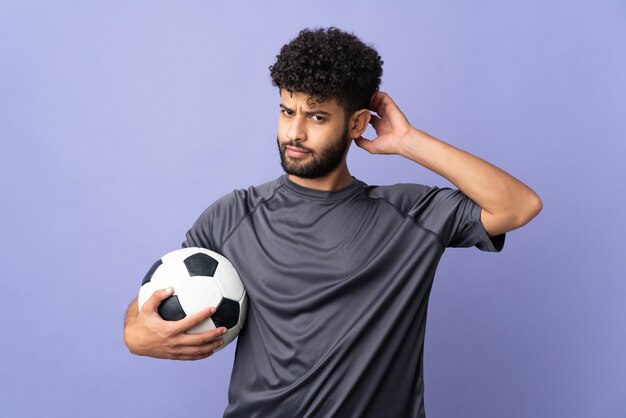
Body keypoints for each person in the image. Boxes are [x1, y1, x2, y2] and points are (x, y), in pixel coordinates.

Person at [123, 27, 542, 418]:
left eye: (317, 117)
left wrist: (409, 142)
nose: (295, 132)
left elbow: (518, 205)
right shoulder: (234, 214)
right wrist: (134, 333)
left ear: (357, 123)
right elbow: (158, 294)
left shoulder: (410, 215)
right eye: (287, 112)